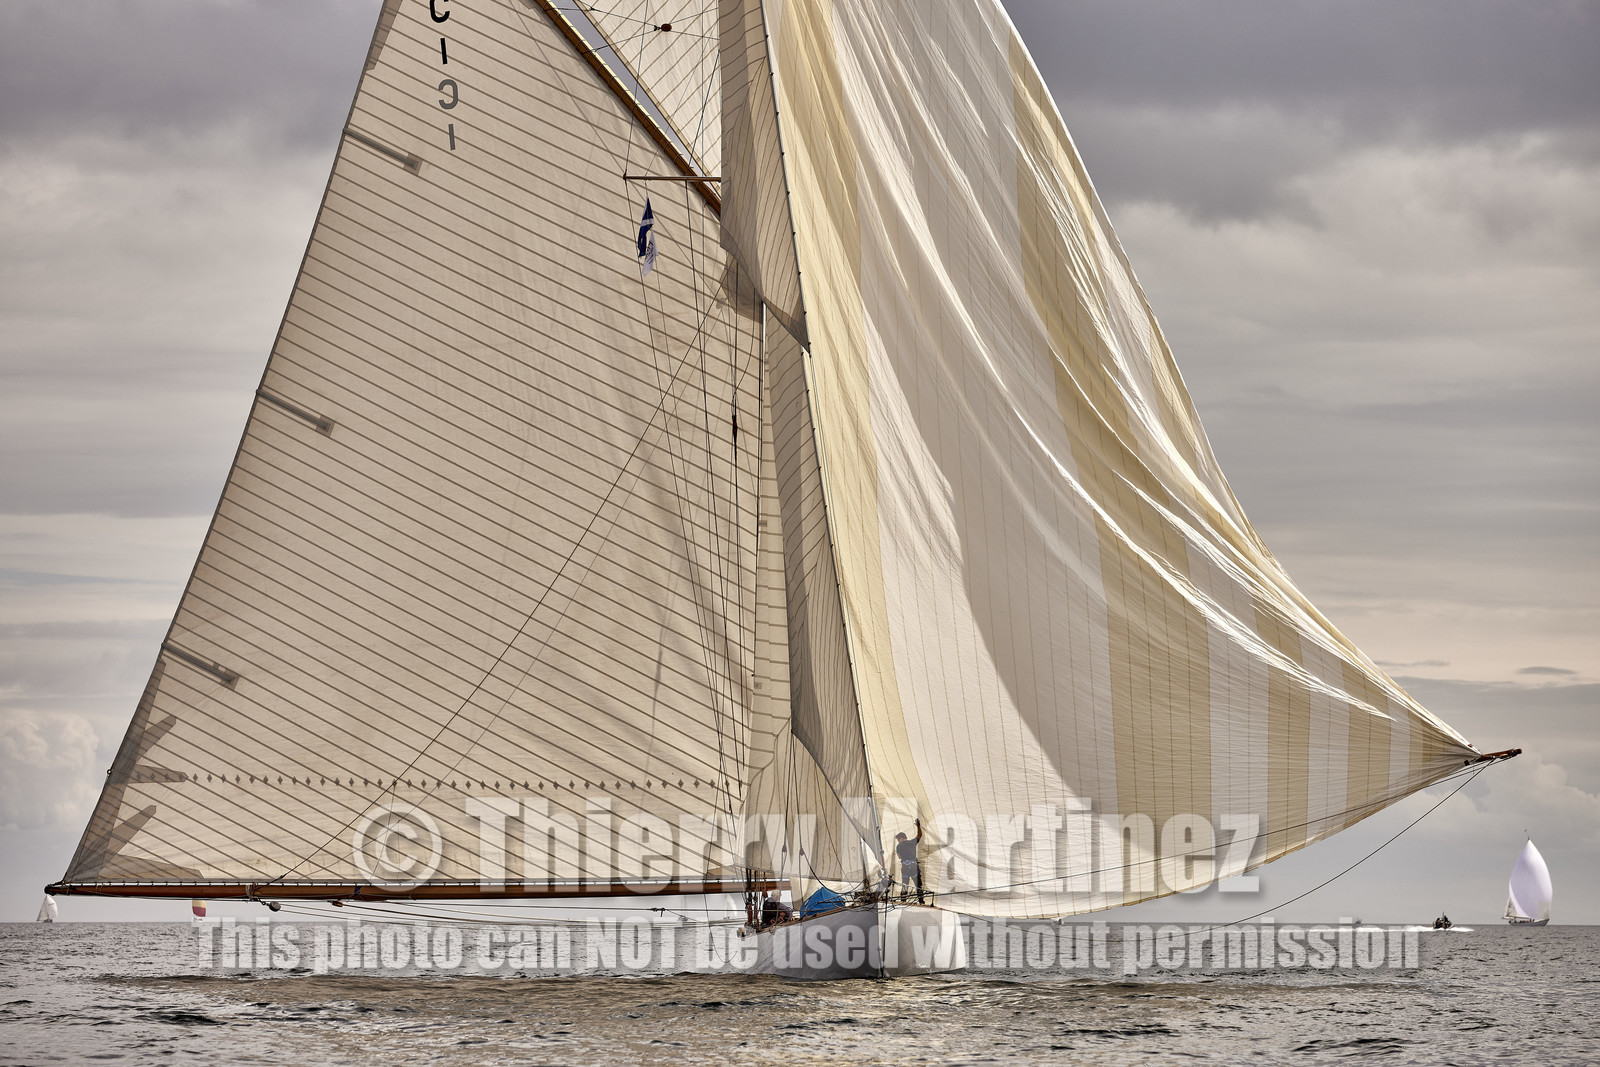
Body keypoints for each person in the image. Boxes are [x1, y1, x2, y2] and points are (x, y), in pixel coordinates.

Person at [893, 819, 924, 904]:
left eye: (898, 839)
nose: (898, 841)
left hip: (905, 866)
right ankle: (921, 901)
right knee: (918, 885)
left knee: (905, 885)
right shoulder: (912, 842)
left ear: (901, 838)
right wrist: (918, 826)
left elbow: (899, 857)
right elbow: (920, 835)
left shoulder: (899, 846)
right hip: (914, 866)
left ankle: (903, 901)